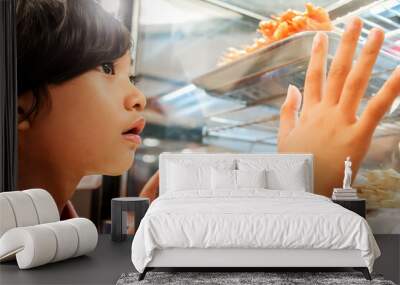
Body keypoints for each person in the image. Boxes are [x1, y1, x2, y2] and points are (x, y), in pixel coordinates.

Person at [16, 0, 399, 219]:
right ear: (20, 106)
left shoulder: (57, 221)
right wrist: (308, 198)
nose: (138, 98)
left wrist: (141, 228)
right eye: (105, 69)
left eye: (130, 75)